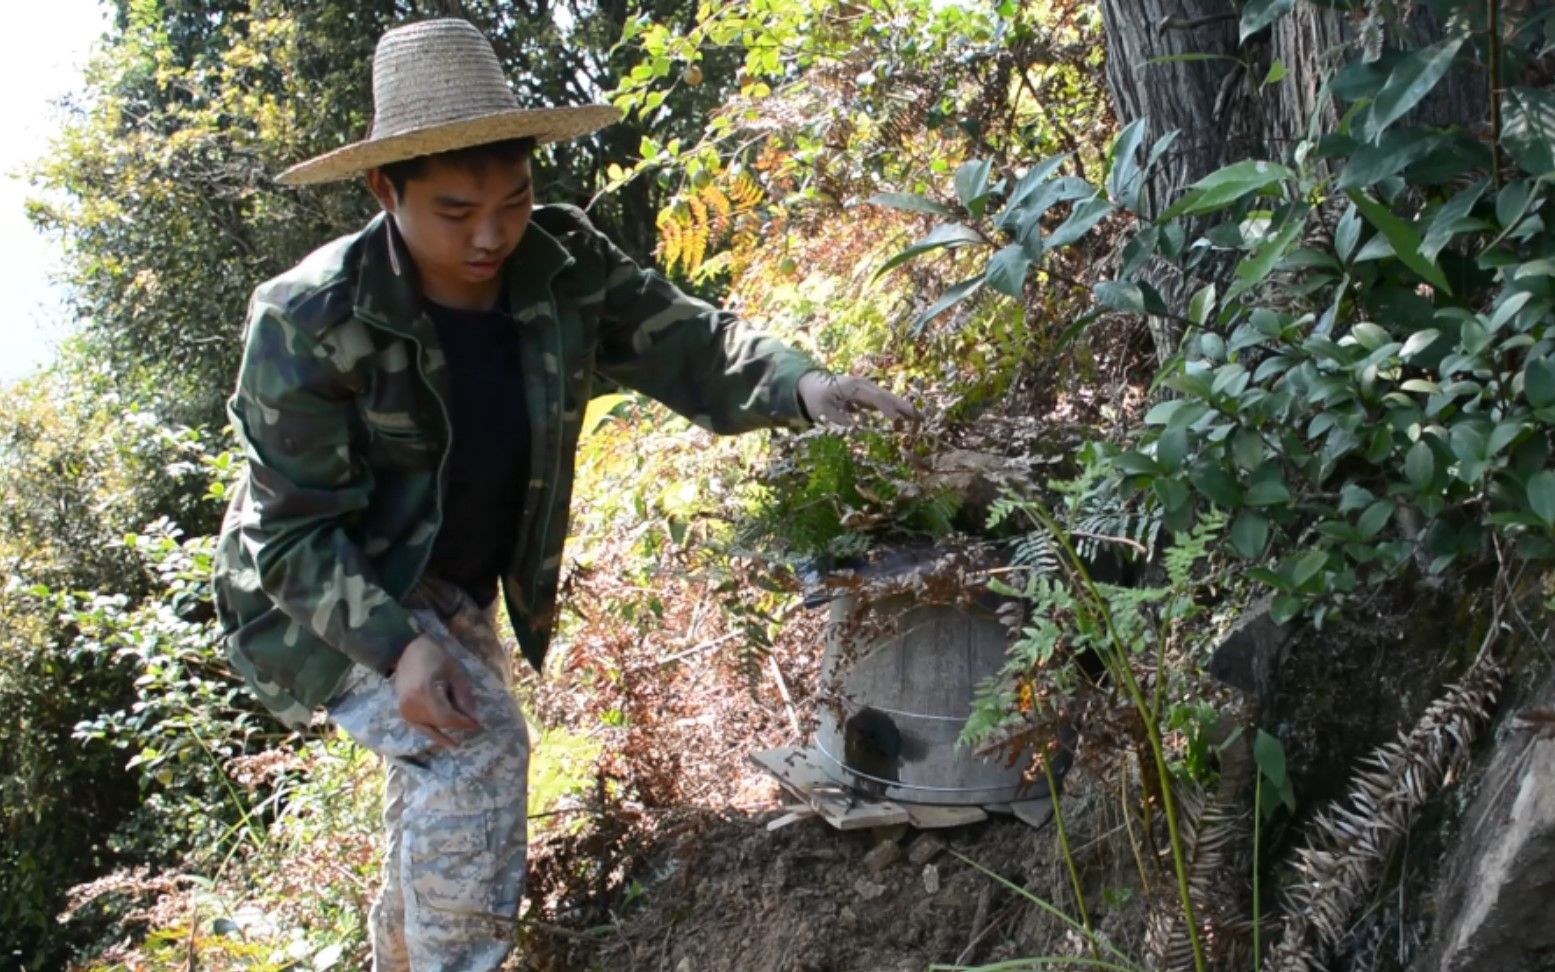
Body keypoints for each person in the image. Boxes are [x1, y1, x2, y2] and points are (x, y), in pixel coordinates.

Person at [210, 17, 917, 972]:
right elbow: (290, 539)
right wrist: (398, 648)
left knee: (442, 777)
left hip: (450, 586)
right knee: (474, 747)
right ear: (386, 191)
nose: (492, 234)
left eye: (515, 198)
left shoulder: (559, 262)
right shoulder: (309, 317)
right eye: (456, 213)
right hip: (322, 599)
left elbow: (693, 343)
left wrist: (804, 388)